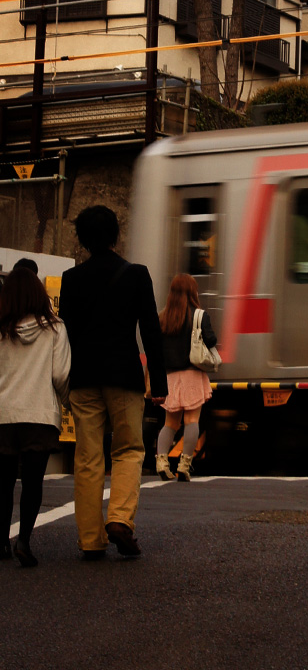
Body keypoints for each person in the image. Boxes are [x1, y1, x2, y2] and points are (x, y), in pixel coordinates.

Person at [59, 205, 167, 559]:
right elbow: (151, 330)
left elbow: (66, 335)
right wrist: (160, 382)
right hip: (123, 376)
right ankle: (120, 518)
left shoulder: (71, 279)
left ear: (82, 239)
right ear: (115, 234)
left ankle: (90, 539)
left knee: (88, 458)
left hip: (84, 377)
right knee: (128, 450)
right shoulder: (136, 274)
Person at [0, 259, 71, 568]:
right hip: (40, 416)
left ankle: (2, 539)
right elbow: (60, 375)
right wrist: (66, 401)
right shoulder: (55, 327)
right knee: (32, 483)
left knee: (2, 483)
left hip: (2, 416)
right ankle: (25, 541)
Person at [155, 274, 217, 482]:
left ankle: (161, 462)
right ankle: (184, 465)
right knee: (192, 420)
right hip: (192, 373)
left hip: (170, 377)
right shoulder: (199, 315)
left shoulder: (163, 317)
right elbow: (211, 340)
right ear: (193, 292)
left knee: (169, 423)